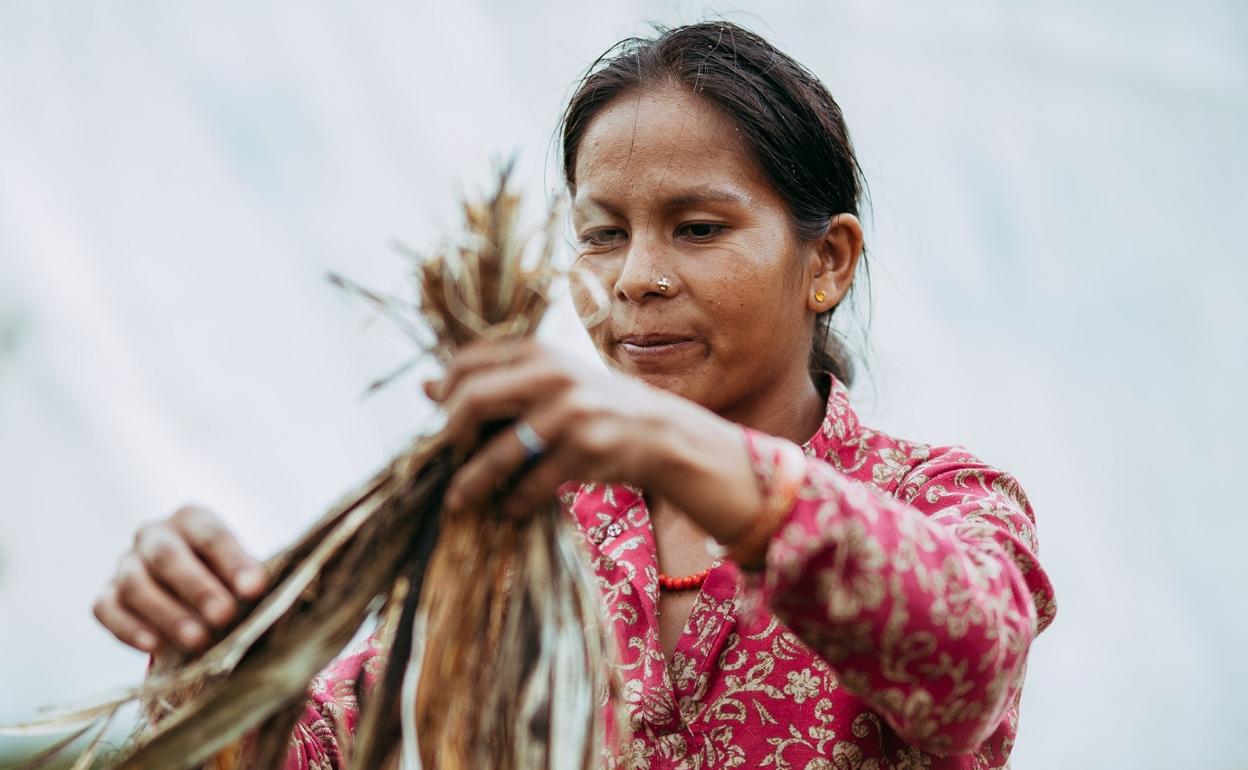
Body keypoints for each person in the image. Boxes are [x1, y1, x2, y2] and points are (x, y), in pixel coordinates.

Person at [92, 21, 1056, 770]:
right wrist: (210, 658)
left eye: (697, 227)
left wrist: (671, 443)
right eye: (602, 234)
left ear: (828, 260)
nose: (636, 276)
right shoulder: (515, 528)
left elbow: (970, 659)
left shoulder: (938, 498)